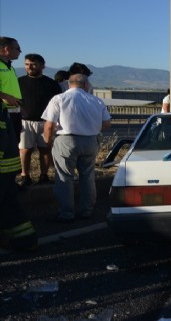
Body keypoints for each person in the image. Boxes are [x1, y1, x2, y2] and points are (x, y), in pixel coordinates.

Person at [42, 73, 112, 223]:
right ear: (86, 85)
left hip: (66, 140)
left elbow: (49, 125)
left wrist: (49, 141)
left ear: (69, 84)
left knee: (64, 178)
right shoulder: (96, 101)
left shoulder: (59, 99)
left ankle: (67, 212)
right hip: (90, 141)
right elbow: (107, 124)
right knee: (87, 177)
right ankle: (87, 210)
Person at [0, 36, 38, 251]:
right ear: (5, 49)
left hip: (9, 117)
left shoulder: (7, 67)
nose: (20, 51)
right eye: (17, 48)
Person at [17, 53, 62, 187]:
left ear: (42, 66)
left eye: (33, 64)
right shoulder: (19, 82)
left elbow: (58, 103)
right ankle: (25, 175)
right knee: (25, 150)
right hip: (25, 122)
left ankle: (44, 175)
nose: (29, 67)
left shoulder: (51, 84)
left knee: (45, 150)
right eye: (26, 64)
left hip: (46, 122)